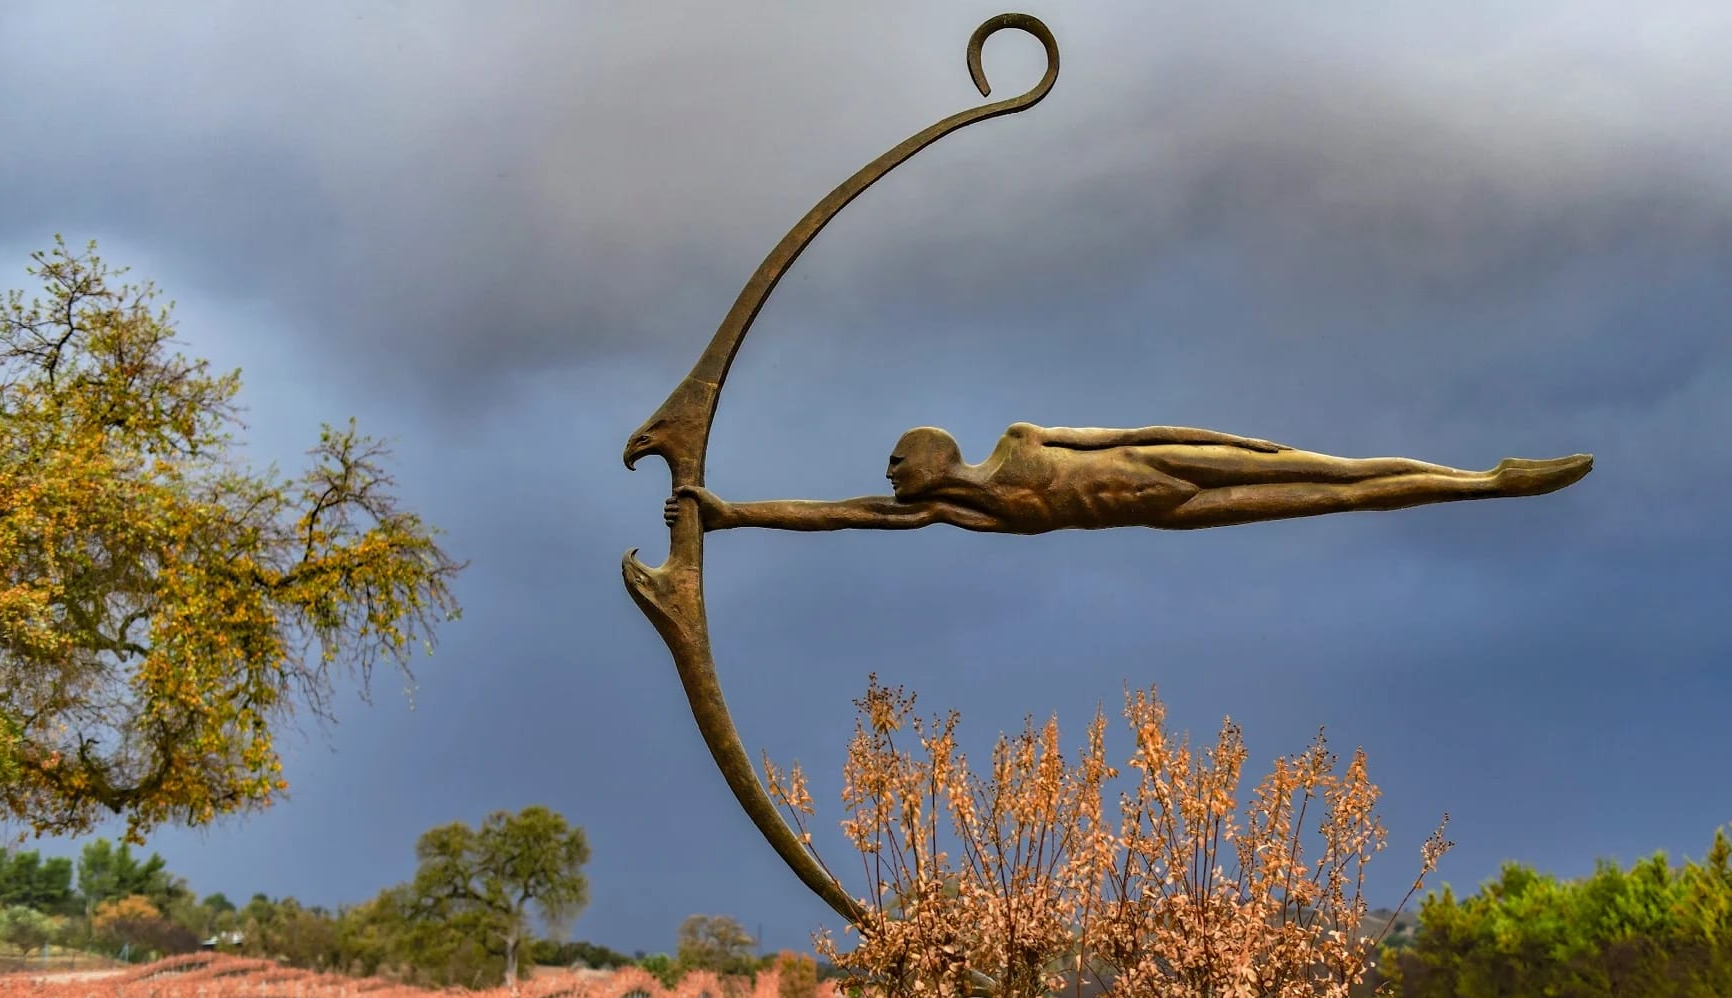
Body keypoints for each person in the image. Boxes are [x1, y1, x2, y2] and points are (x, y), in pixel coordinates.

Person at [664, 422, 1592, 535]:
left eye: (897, 461)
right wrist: (734, 513)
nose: (889, 475)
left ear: (934, 450)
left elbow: (1134, 432)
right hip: (1172, 512)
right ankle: (1485, 486)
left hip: (1161, 464)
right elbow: (840, 514)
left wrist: (1242, 443)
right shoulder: (951, 514)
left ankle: (1488, 476)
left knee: (1337, 468)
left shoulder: (1020, 439)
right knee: (1336, 501)